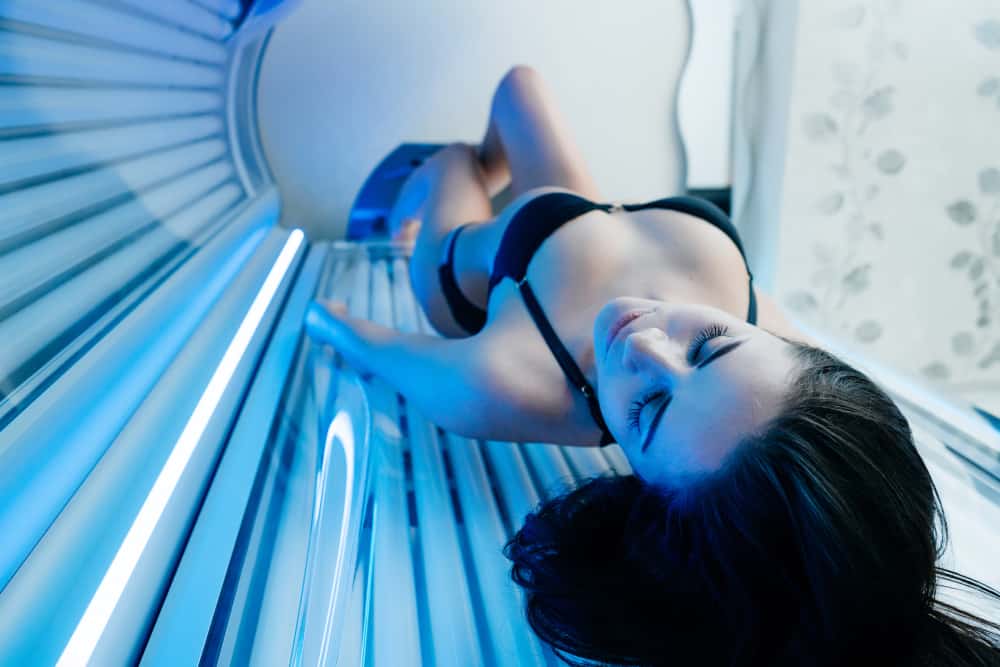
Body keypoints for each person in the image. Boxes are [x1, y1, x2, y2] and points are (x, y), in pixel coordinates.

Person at [305, 66, 1000, 664]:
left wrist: (321, 315)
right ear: (790, 350)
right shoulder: (795, 381)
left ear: (640, 482)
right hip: (598, 225)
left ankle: (420, 209)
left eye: (648, 409)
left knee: (449, 166)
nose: (641, 341)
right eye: (711, 346)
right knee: (519, 87)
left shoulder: (500, 383)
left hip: (481, 268)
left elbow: (373, 344)